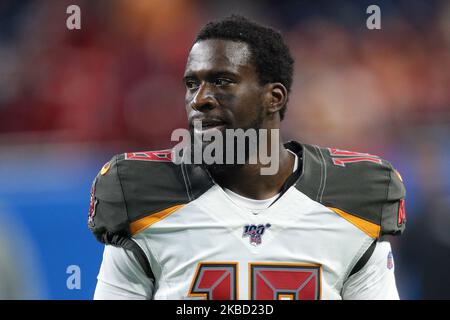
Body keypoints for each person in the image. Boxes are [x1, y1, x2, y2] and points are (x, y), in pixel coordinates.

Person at [89, 15, 406, 300]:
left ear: (274, 97)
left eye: (222, 81)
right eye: (191, 84)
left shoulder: (353, 201)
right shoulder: (143, 198)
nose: (199, 100)